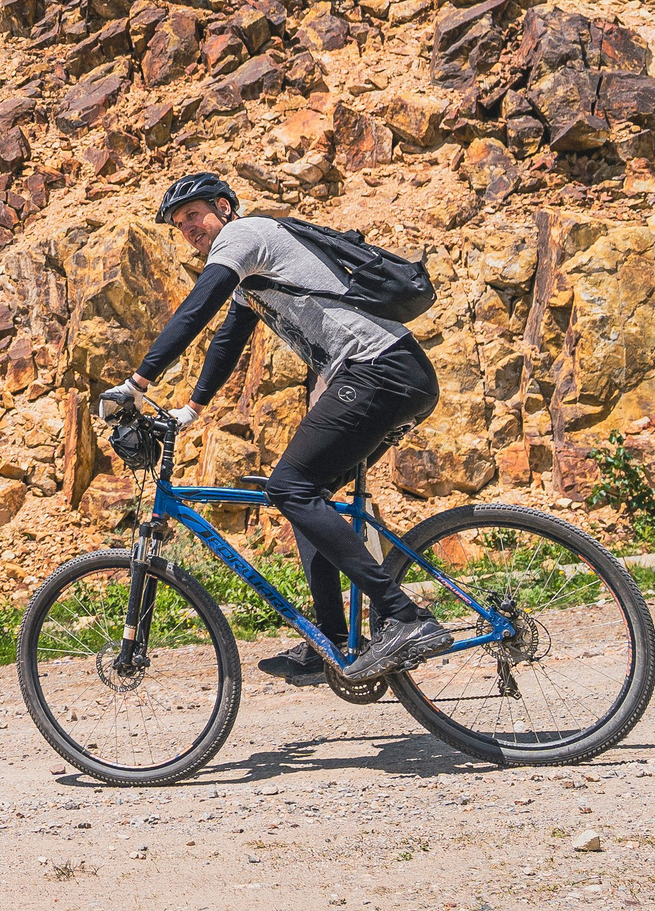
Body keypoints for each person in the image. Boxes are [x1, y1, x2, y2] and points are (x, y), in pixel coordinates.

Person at [102, 171, 448, 684]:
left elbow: (198, 308)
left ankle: (404, 616)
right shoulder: (252, 271)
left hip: (380, 370)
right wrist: (190, 412)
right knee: (308, 497)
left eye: (194, 216)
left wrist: (136, 382)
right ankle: (330, 639)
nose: (189, 229)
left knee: (291, 487)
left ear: (223, 207)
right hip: (389, 373)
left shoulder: (246, 235)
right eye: (180, 225)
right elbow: (225, 342)